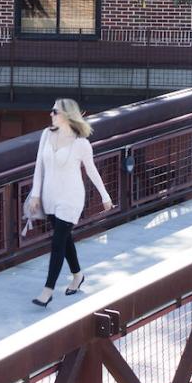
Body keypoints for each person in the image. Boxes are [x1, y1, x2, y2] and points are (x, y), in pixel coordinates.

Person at [25, 98, 116, 307]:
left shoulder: (81, 143)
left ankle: (47, 291)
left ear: (66, 115)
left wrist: (105, 196)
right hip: (49, 197)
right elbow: (39, 166)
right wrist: (36, 195)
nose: (50, 114)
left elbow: (91, 170)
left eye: (54, 111)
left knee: (57, 243)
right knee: (65, 239)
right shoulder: (46, 135)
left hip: (71, 198)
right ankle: (77, 275)